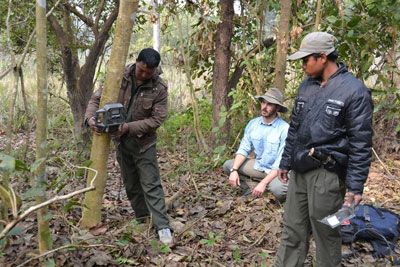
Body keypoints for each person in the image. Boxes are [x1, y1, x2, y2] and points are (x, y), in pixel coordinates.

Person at [274, 32, 373, 267]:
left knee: (326, 232)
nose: (303, 66)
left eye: (306, 60)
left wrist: (356, 186)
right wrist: (286, 162)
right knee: (292, 228)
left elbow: (361, 143)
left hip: (327, 175)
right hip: (300, 169)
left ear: (322, 57)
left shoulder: (354, 91)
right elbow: (294, 128)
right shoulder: (306, 86)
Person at [85, 48, 173, 244]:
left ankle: (162, 226)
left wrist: (128, 127)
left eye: (148, 73)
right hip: (121, 142)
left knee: (151, 184)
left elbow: (157, 119)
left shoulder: (159, 88)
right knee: (131, 184)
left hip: (144, 143)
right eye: (141, 71)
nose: (144, 75)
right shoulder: (118, 77)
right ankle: (142, 219)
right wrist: (91, 118)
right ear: (136, 62)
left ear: (155, 70)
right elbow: (95, 99)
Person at [223, 88, 290, 202]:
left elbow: (279, 164)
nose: (264, 107)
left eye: (269, 104)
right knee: (229, 165)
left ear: (277, 108)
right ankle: (251, 188)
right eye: (263, 102)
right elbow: (243, 149)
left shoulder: (284, 129)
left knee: (278, 189)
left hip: (278, 172)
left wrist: (264, 183)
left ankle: (267, 188)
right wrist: (234, 170)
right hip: (260, 166)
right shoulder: (253, 124)